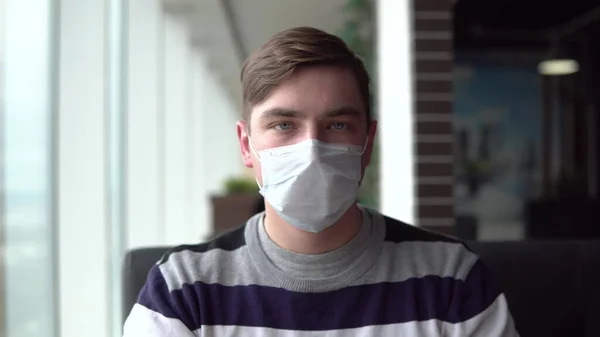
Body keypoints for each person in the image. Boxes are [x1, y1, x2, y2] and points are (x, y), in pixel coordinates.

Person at [122, 27, 518, 336]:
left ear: (368, 142)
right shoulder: (182, 291)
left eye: (338, 124)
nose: (311, 149)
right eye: (283, 125)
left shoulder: (452, 280)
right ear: (246, 145)